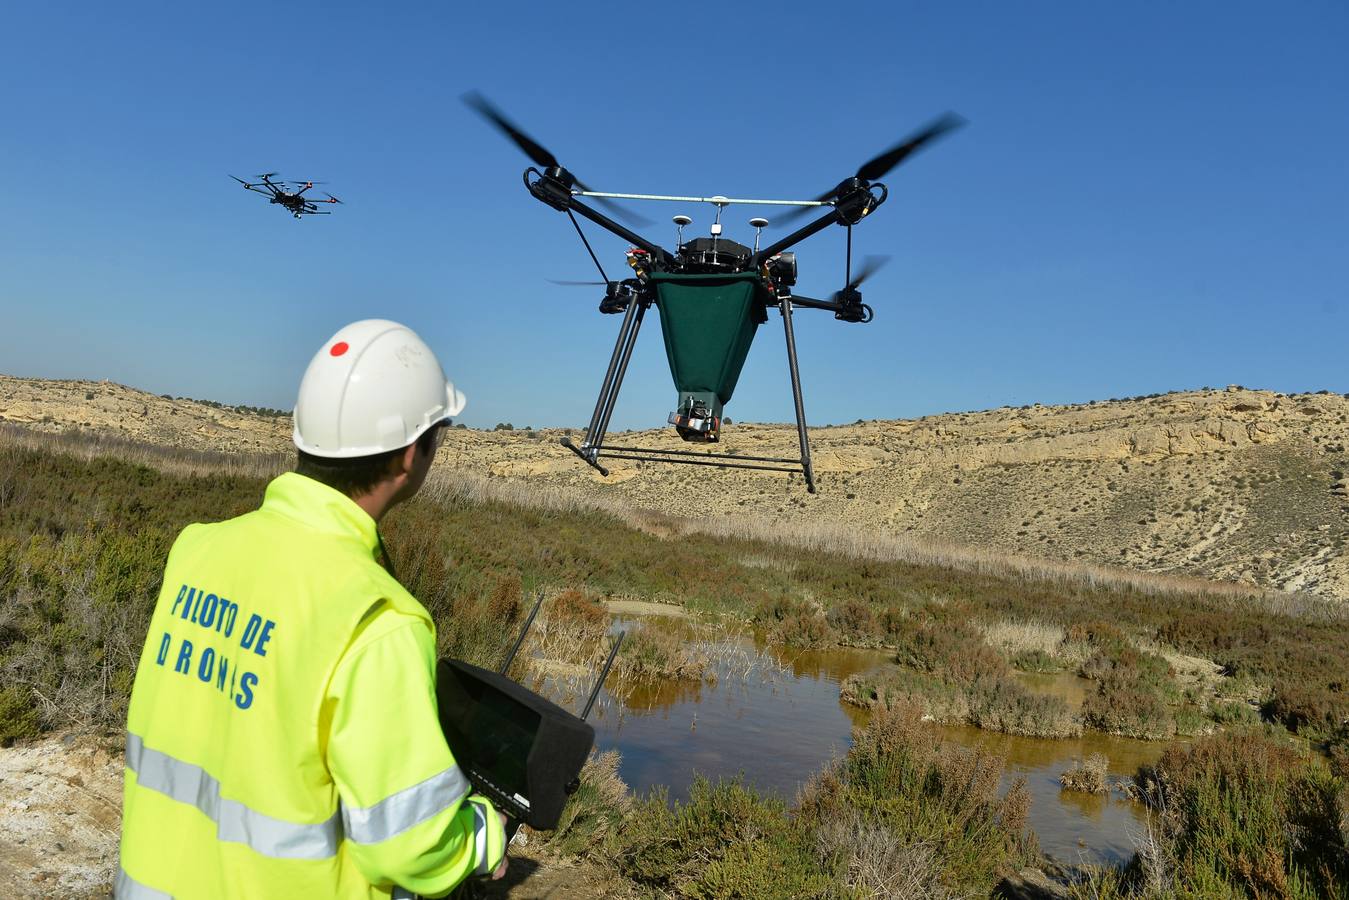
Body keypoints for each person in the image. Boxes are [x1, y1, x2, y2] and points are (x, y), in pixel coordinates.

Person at [117, 320, 507, 899]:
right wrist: (479, 837)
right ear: (409, 455)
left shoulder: (196, 550)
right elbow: (411, 844)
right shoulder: (376, 619)